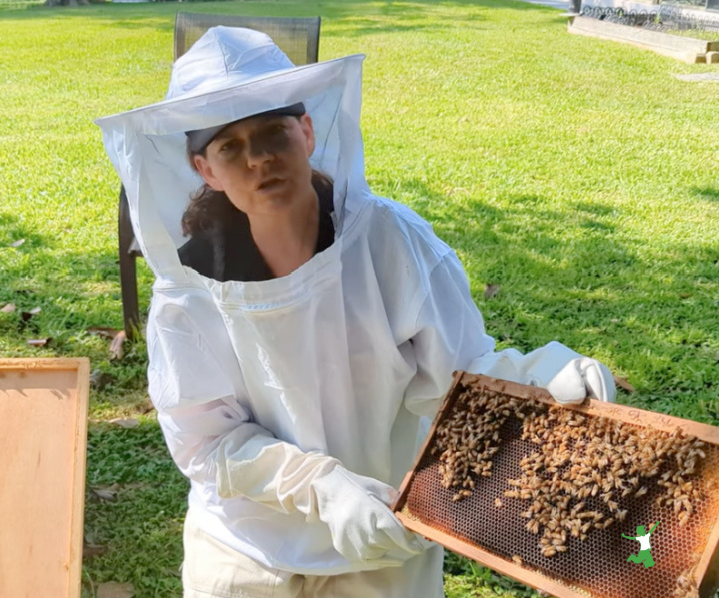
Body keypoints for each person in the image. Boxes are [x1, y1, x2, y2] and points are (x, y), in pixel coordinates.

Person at [96, 26, 616, 598]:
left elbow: (458, 378)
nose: (260, 159)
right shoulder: (187, 293)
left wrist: (538, 377)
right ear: (205, 170)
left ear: (308, 131)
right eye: (230, 146)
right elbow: (207, 442)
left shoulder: (393, 242)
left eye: (274, 132)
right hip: (243, 556)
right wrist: (320, 485)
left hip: (381, 536)